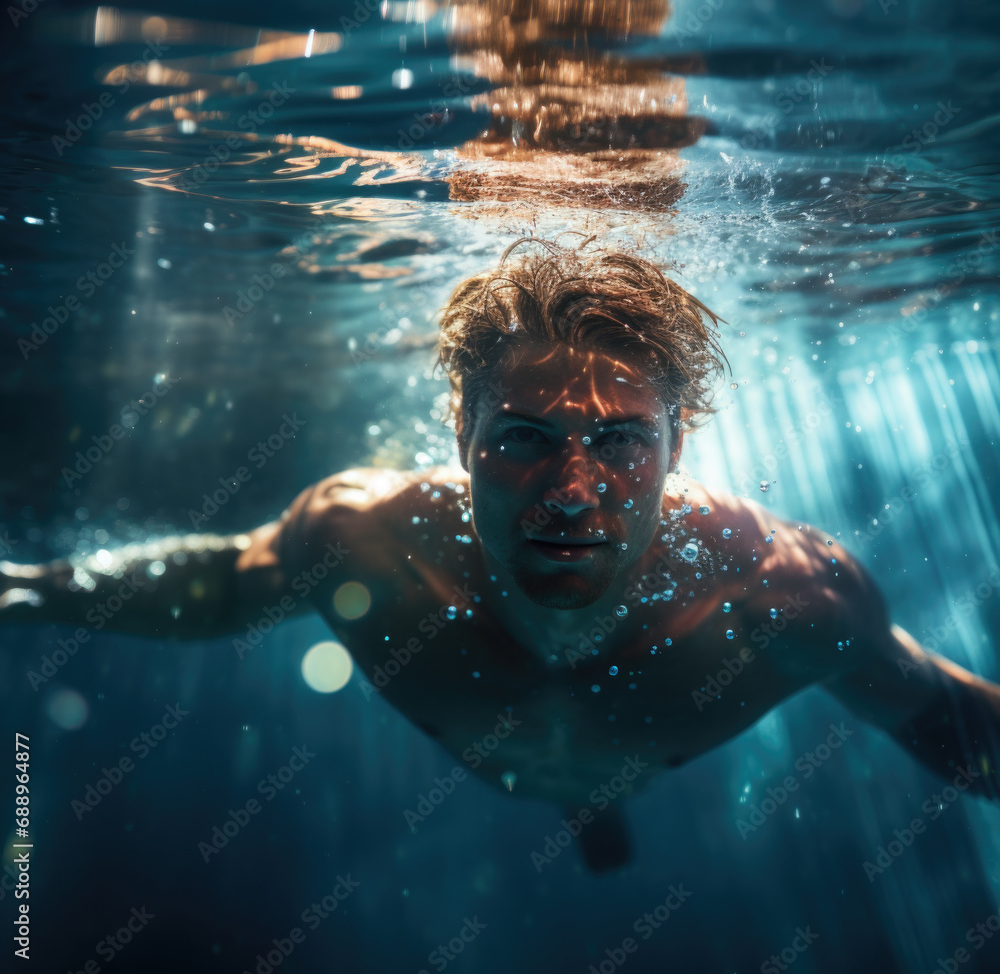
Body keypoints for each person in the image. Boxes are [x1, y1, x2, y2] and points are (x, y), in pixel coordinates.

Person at [3, 238, 998, 872]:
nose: (571, 491)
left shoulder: (786, 602)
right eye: (524, 437)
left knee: (595, 801)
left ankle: (594, 814)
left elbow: (944, 714)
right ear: (459, 437)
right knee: (586, 795)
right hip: (548, 757)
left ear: (679, 449)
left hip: (598, 767)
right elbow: (225, 580)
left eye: (620, 442)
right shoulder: (364, 540)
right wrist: (25, 588)